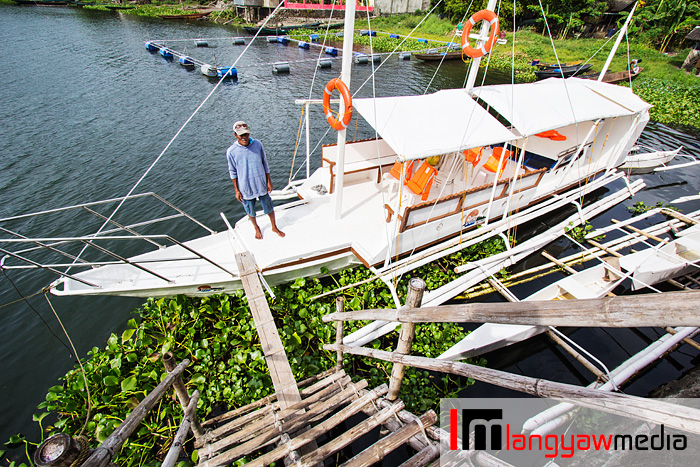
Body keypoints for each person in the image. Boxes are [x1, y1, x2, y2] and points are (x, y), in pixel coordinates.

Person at [226, 121, 285, 239]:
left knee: (269, 206)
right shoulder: (231, 151)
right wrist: (237, 190)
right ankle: (256, 228)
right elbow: (232, 172)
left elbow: (265, 163)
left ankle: (274, 226)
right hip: (245, 187)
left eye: (246, 134)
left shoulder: (258, 144)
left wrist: (269, 181)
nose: (244, 137)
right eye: (241, 135)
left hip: (261, 184)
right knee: (250, 210)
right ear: (235, 135)